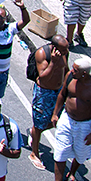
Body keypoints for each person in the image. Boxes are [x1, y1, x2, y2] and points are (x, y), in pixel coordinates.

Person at [43, 58, 91, 181]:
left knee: (80, 152)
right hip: (67, 119)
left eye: (75, 70)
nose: (72, 71)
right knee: (60, 151)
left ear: (84, 73)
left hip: (85, 125)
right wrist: (55, 114)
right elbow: (62, 94)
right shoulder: (70, 77)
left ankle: (72, 173)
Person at [27, 35, 70, 170]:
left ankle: (34, 134)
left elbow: (66, 70)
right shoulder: (42, 54)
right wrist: (53, 63)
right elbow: (43, 78)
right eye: (63, 50)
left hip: (58, 92)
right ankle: (34, 153)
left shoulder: (64, 53)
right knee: (39, 125)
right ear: (54, 48)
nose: (65, 52)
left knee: (58, 120)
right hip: (44, 93)